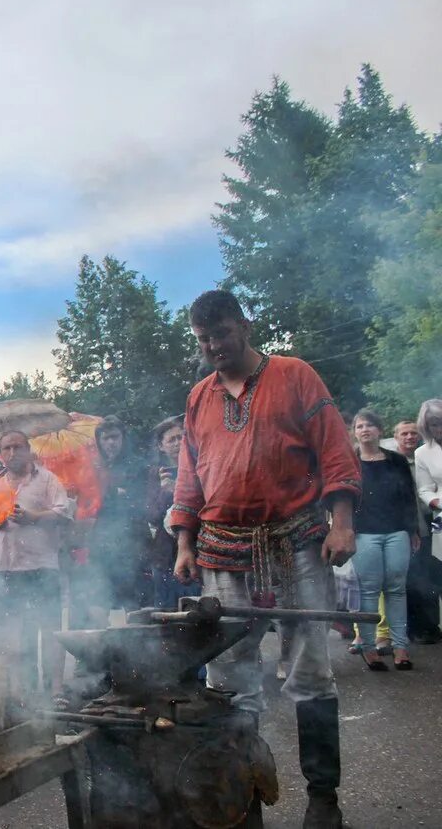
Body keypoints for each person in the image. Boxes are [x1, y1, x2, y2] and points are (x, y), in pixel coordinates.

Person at [170, 290, 360, 828]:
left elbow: (335, 452)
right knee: (228, 679)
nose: (213, 347)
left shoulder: (296, 374)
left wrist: (342, 524)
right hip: (221, 546)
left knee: (311, 669)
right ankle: (242, 799)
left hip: (297, 539)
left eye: (221, 335)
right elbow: (190, 473)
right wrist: (184, 541)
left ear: (244, 326)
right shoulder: (198, 397)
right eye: (203, 340)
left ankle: (324, 799)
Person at [0, 431, 72, 698]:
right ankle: (21, 691)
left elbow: (63, 514)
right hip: (5, 568)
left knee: (49, 628)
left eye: (17, 447)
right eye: (6, 448)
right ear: (1, 454)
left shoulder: (47, 479)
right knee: (13, 631)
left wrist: (33, 517)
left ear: (29, 450)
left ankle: (56, 690)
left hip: (41, 566)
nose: (12, 453)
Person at [347, 410, 418, 670]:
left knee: (396, 589)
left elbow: (409, 497)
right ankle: (368, 648)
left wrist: (413, 530)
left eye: (370, 425)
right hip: (364, 533)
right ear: (355, 432)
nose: (364, 429)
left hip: (397, 531)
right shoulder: (349, 462)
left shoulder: (396, 461)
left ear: (379, 430)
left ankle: (400, 647)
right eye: (359, 425)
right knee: (368, 590)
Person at [91, 415, 150, 611]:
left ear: (123, 438)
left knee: (135, 598)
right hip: (103, 540)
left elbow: (142, 500)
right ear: (99, 441)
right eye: (105, 438)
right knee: (104, 596)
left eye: (114, 437)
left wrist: (113, 493)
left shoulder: (137, 464)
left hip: (133, 538)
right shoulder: (94, 468)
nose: (110, 443)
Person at [393, 419, 441, 643]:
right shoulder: (392, 461)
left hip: (429, 526)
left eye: (413, 433)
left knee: (428, 579)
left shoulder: (425, 458)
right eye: (404, 433)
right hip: (405, 529)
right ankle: (411, 629)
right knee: (409, 581)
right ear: (396, 437)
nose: (409, 437)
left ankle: (430, 627)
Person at [145, 416, 200, 609]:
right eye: (171, 440)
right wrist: (164, 493)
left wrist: (180, 490)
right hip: (165, 555)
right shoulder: (155, 474)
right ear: (161, 446)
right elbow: (151, 516)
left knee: (195, 610)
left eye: (181, 437)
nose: (178, 443)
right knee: (166, 612)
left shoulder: (199, 466)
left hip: (195, 551)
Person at [413, 400, 442, 635]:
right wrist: (437, 503)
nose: (440, 427)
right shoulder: (422, 453)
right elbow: (424, 489)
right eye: (435, 424)